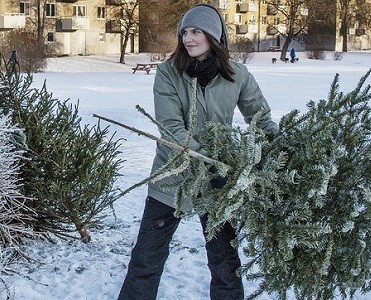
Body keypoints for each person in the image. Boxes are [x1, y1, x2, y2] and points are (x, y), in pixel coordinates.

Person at [117, 4, 278, 300]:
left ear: (213, 36)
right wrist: (206, 156)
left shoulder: (237, 75)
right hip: (171, 179)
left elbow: (261, 120)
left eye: (196, 32)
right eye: (185, 32)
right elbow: (171, 127)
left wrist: (284, 150)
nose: (188, 39)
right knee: (147, 258)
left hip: (217, 183)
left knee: (225, 262)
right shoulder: (168, 73)